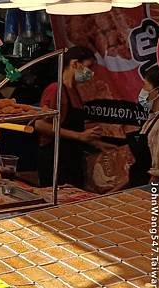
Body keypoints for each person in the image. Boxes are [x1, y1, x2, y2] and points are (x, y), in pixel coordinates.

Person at [34, 46, 105, 188]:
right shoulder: (55, 90)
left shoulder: (75, 92)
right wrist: (79, 136)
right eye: (89, 67)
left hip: (72, 158)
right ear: (74, 64)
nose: (91, 73)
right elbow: (40, 125)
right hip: (55, 160)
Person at [127, 65, 159, 186]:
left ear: (158, 91)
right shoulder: (154, 117)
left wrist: (150, 202)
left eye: (145, 85)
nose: (142, 89)